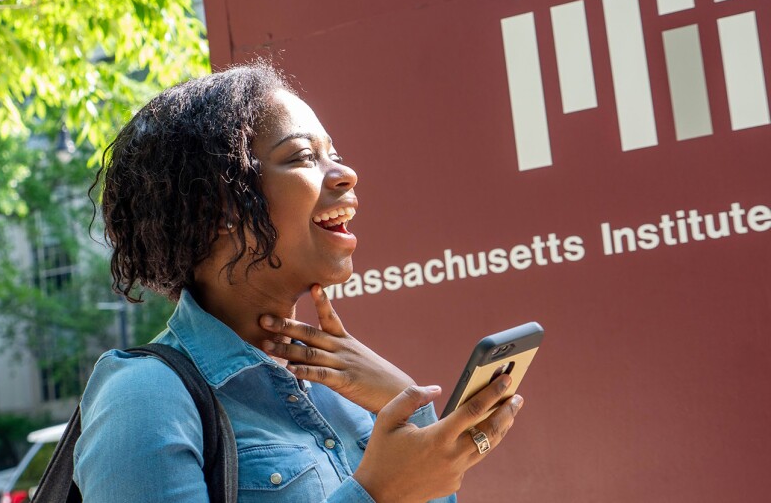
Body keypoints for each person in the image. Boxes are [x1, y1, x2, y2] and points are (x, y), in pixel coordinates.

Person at [76, 63, 524, 502]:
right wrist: (378, 493)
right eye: (303, 157)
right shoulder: (143, 395)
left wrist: (408, 404)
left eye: (335, 154)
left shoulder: (349, 395)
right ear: (220, 206)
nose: (346, 174)